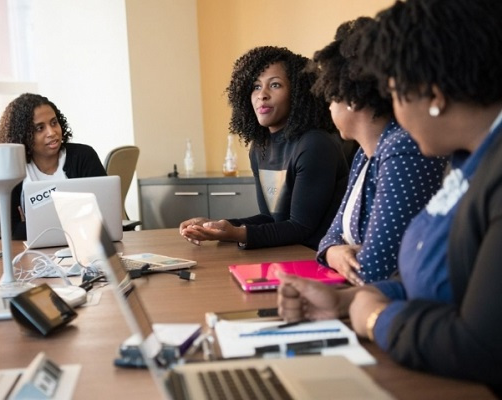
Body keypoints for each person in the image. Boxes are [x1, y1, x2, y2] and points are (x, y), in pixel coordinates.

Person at [278, 0, 502, 393]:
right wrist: (351, 301)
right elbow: (441, 277)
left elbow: (481, 348)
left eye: (396, 93)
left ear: (433, 95)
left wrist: (375, 319)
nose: (393, 111)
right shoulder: (470, 162)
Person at [309, 17, 447, 285]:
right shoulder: (364, 153)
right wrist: (334, 253)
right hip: (358, 295)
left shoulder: (403, 148)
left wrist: (337, 254)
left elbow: (375, 268)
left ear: (352, 97)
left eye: (331, 97)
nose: (328, 108)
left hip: (382, 303)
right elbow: (330, 236)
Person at [180, 46, 349, 250]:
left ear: (297, 93)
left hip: (317, 259)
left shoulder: (315, 145)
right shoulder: (259, 148)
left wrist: (237, 233)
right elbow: (270, 219)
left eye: (275, 85)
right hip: (285, 254)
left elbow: (301, 227)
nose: (262, 95)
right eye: (256, 86)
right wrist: (215, 226)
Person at [0, 93, 107, 240]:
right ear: (22, 134)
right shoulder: (11, 167)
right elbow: (10, 229)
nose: (52, 132)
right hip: (29, 255)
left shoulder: (83, 156)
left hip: (83, 246)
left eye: (54, 123)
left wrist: (30, 225)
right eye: (40, 128)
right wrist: (74, 222)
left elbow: (102, 215)